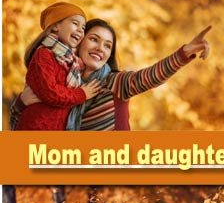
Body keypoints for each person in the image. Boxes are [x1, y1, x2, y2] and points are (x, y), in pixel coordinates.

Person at [13, 16, 211, 132]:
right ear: (79, 41)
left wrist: (183, 53)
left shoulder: (114, 82)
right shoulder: (61, 86)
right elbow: (20, 125)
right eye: (94, 39)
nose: (100, 48)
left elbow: (149, 77)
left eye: (108, 46)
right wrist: (21, 102)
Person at [13, 2, 101, 130]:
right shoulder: (43, 55)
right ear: (55, 26)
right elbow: (51, 93)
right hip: (36, 128)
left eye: (83, 28)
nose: (80, 31)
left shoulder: (73, 62)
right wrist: (82, 94)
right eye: (75, 24)